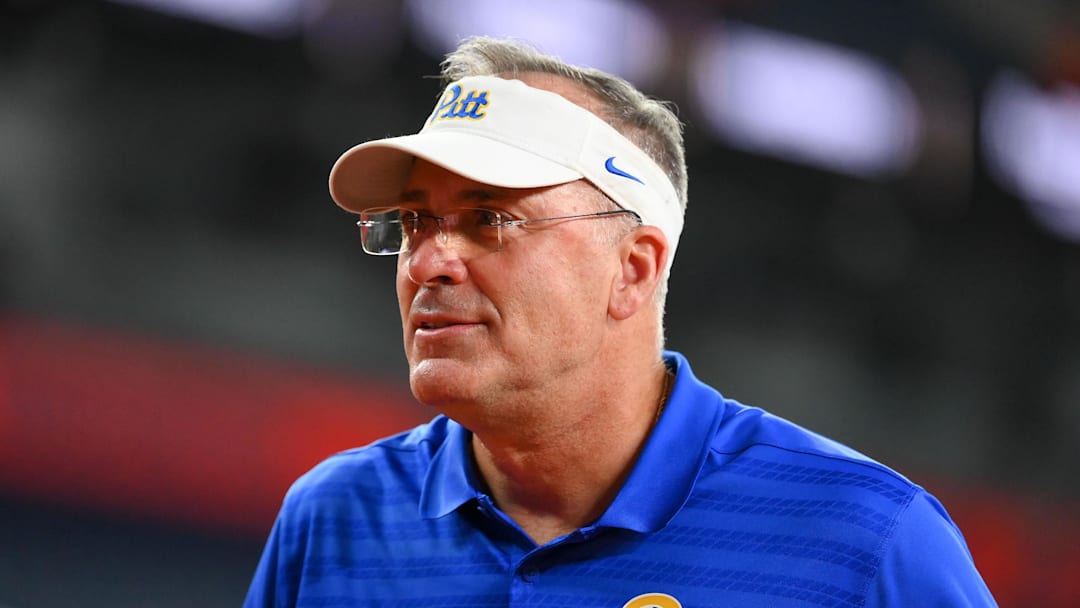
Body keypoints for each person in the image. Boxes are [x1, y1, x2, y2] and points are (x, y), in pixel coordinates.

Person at [244, 36, 996, 607]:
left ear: (633, 269)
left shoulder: (866, 541)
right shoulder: (332, 520)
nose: (429, 263)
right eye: (415, 222)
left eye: (488, 219)